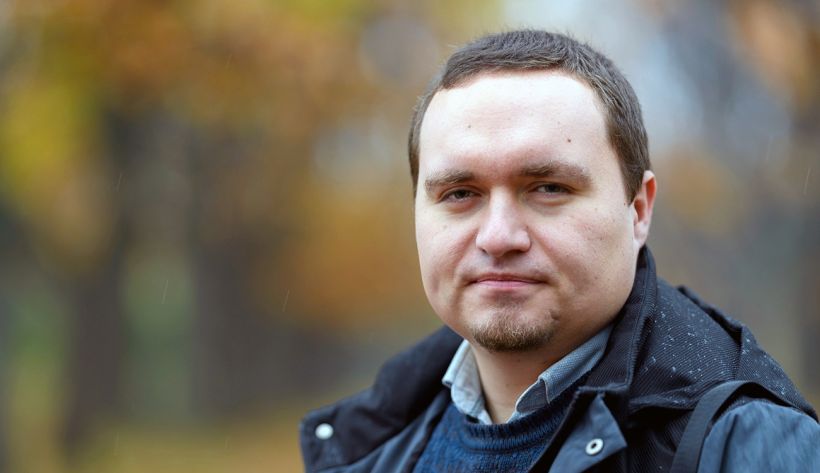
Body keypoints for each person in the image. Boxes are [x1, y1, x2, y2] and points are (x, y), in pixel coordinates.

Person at [299, 30, 819, 472]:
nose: (498, 236)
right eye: (460, 194)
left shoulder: (746, 445)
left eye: (548, 188)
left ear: (638, 210)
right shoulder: (371, 444)